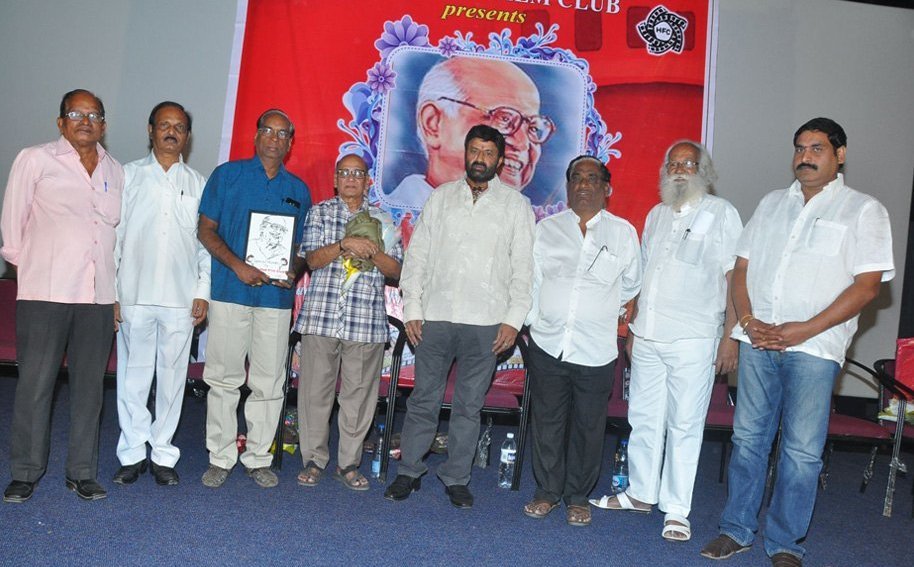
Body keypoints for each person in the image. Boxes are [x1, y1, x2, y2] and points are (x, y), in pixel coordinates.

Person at [699, 118, 894, 567]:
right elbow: (742, 269)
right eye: (800, 148)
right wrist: (747, 321)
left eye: (818, 148)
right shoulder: (770, 204)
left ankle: (786, 543)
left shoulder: (863, 210)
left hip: (814, 349)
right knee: (748, 440)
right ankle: (736, 530)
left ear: (840, 155)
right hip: (758, 342)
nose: (805, 156)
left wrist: (803, 329)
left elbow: (867, 287)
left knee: (802, 452)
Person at [588, 141, 743, 541]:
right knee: (643, 417)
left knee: (685, 424)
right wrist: (634, 329)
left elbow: (734, 279)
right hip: (649, 335)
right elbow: (644, 276)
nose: (679, 170)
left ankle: (677, 510)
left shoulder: (722, 213)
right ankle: (640, 493)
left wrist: (731, 337)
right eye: (672, 163)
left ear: (703, 171)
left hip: (695, 337)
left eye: (688, 164)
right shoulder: (656, 215)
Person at [385, 124, 535, 508]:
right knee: (423, 399)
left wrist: (513, 321)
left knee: (469, 405)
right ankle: (409, 472)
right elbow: (416, 256)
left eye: (488, 152)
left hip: (487, 322)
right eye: (474, 150)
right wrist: (413, 309)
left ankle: (456, 477)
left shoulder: (516, 206)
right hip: (435, 316)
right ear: (465, 153)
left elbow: (523, 269)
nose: (480, 158)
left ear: (500, 159)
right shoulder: (442, 197)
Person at [1, 89, 124, 503]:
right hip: (45, 293)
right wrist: (33, 269)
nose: (85, 121)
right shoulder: (35, 159)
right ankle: (26, 471)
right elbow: (12, 228)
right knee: (36, 384)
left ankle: (82, 472)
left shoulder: (115, 169)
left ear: (104, 125)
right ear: (60, 122)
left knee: (90, 388)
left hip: (98, 295)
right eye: (76, 113)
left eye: (94, 115)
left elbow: (114, 234)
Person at [523, 156, 641, 527]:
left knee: (589, 426)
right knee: (548, 423)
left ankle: (578, 496)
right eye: (577, 178)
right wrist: (533, 323)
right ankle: (547, 492)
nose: (584, 185)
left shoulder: (623, 233)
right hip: (548, 343)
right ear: (568, 185)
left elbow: (632, 285)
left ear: (607, 189)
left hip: (596, 348)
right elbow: (532, 283)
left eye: (593, 179)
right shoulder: (547, 229)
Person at [197, 109, 311, 489]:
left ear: (290, 143)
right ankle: (221, 455)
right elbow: (206, 230)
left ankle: (259, 457)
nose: (275, 139)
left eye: (283, 134)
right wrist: (237, 266)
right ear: (256, 134)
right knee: (224, 379)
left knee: (269, 382)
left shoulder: (299, 190)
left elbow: (299, 249)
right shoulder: (226, 176)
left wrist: (293, 267)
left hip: (275, 301)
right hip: (231, 291)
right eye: (268, 130)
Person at [112, 101, 210, 487]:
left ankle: (164, 453)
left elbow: (205, 245)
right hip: (133, 293)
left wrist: (202, 291)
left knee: (172, 380)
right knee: (132, 380)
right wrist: (112, 292)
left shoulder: (199, 183)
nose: (172, 131)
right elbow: (115, 238)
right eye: (164, 125)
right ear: (150, 130)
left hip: (181, 298)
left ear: (187, 136)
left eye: (180, 126)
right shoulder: (128, 177)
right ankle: (133, 452)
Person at [293, 154, 402, 491]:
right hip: (322, 317)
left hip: (365, 321)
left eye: (358, 173)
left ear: (368, 180)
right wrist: (344, 245)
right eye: (345, 172)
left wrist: (372, 252)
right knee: (314, 395)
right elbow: (310, 259)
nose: (351, 178)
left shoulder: (382, 220)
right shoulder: (319, 212)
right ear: (335, 179)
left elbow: (397, 272)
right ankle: (313, 460)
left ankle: (349, 464)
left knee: (359, 397)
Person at [382, 57, 554, 210]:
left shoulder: (533, 225)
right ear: (433, 123)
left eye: (532, 128)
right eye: (504, 119)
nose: (522, 143)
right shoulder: (390, 218)